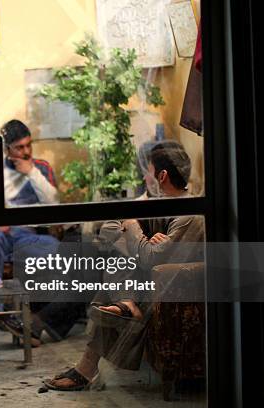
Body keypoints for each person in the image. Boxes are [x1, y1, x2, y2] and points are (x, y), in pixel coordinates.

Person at [43, 140, 204, 391]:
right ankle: (123, 306)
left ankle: (86, 368)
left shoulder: (189, 214)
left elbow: (152, 259)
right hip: (148, 275)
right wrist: (139, 237)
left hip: (172, 288)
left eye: (148, 170)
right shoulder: (160, 203)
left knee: (115, 274)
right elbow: (109, 230)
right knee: (119, 255)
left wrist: (134, 228)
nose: (145, 175)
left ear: (161, 175)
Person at [0, 119, 61, 331]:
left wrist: (31, 172)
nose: (26, 151)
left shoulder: (40, 168)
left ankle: (44, 311)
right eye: (19, 147)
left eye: (28, 145)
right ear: (7, 149)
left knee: (53, 247)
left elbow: (53, 203)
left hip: (27, 234)